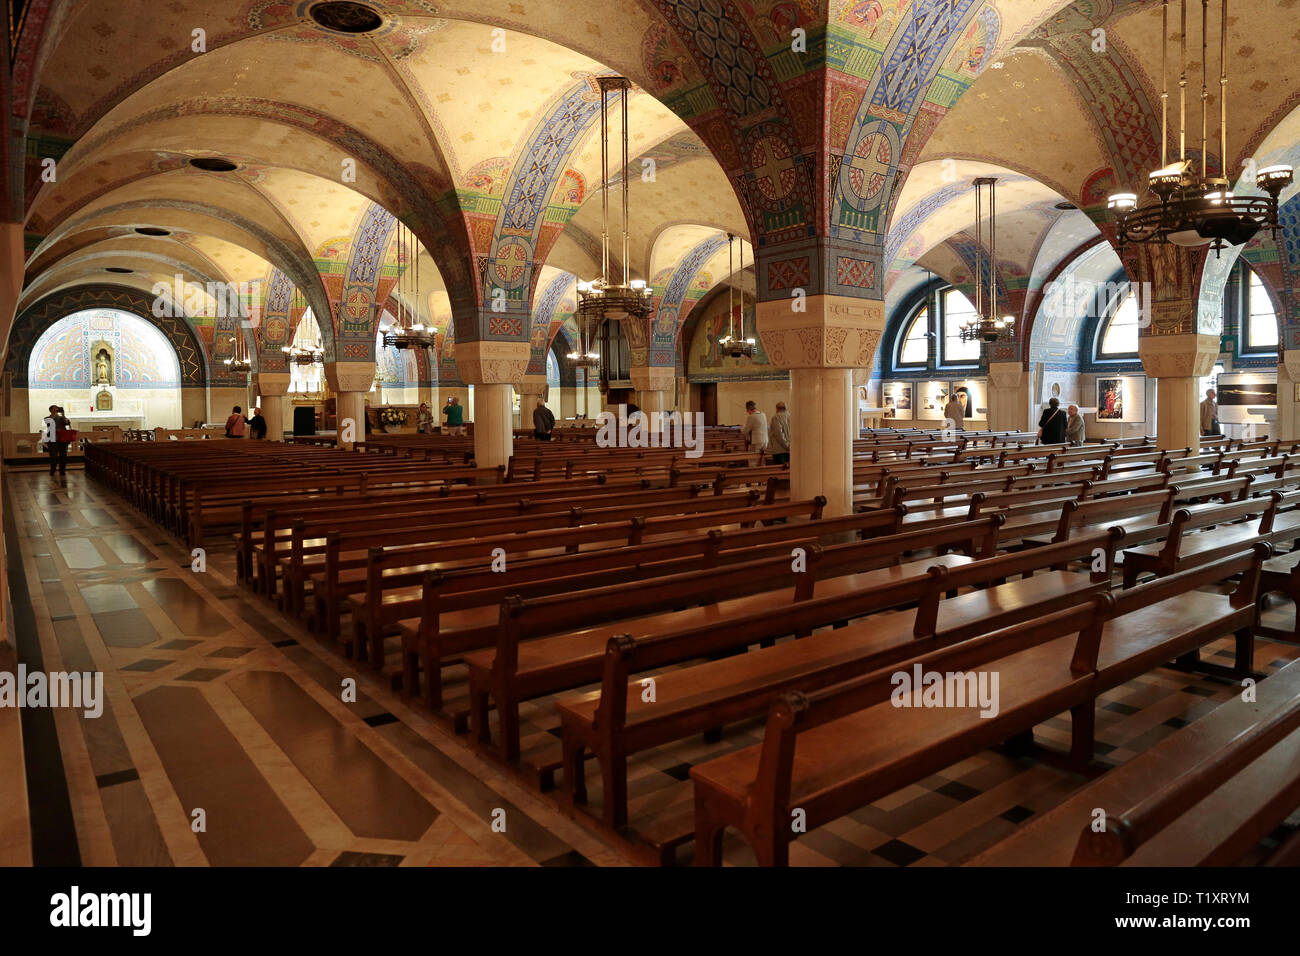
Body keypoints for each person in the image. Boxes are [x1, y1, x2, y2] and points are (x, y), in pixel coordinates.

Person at [42, 404, 71, 477]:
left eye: (57, 409)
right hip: (52, 439)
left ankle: (62, 470)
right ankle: (53, 470)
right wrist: (56, 429)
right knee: (53, 456)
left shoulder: (62, 418)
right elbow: (49, 424)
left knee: (63, 455)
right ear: (51, 410)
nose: (56, 410)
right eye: (55, 408)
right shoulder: (47, 418)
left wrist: (63, 415)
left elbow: (67, 423)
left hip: (62, 438)